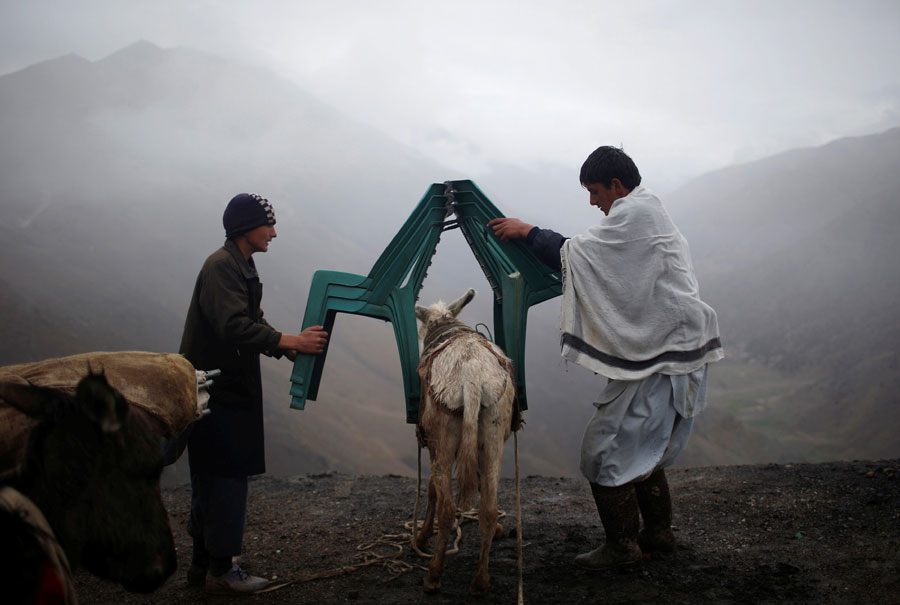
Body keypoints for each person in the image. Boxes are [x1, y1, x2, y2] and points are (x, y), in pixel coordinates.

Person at [488, 146, 723, 570]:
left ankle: (622, 549)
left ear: (617, 185)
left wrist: (527, 232)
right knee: (643, 449)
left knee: (604, 452)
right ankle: (659, 534)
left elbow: (578, 254)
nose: (593, 202)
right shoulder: (649, 214)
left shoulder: (635, 216)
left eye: (595, 192)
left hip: (661, 358)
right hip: (673, 350)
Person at [179, 192, 328, 594]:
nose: (274, 233)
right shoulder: (221, 268)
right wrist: (288, 340)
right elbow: (233, 326)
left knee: (214, 477)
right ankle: (222, 572)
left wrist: (289, 346)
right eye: (269, 224)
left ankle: (203, 567)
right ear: (247, 227)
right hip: (217, 391)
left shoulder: (240, 264)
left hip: (228, 388)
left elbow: (251, 320)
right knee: (225, 477)